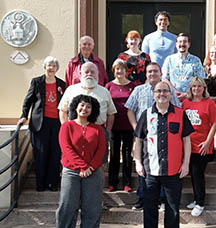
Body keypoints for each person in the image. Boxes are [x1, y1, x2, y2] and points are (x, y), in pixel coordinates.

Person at [134, 81, 194, 228]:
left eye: (165, 91)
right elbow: (138, 140)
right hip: (150, 171)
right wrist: (138, 162)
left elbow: (186, 140)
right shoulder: (146, 114)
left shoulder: (180, 114)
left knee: (173, 209)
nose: (162, 94)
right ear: (154, 95)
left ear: (170, 93)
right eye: (158, 91)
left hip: (174, 171)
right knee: (149, 208)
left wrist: (186, 163)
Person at [125, 62, 181, 210]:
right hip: (144, 137)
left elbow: (177, 109)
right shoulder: (138, 90)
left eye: (155, 71)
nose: (152, 74)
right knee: (143, 166)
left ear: (160, 73)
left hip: (164, 136)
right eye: (149, 72)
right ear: (146, 73)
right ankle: (143, 197)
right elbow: (130, 110)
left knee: (162, 166)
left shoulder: (168, 91)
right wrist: (137, 128)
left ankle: (162, 199)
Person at [56, 95, 106, 228]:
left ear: (93, 110)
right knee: (67, 206)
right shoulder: (67, 126)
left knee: (92, 208)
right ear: (76, 107)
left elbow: (101, 151)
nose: (85, 108)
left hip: (93, 172)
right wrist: (83, 166)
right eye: (82, 105)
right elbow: (66, 148)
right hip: (71, 172)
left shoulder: (98, 129)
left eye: (88, 107)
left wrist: (90, 167)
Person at [18, 56, 65, 192]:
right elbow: (28, 101)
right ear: (44, 67)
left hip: (57, 123)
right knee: (41, 154)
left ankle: (53, 184)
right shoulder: (37, 82)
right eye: (49, 65)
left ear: (57, 69)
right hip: (40, 123)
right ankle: (41, 184)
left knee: (55, 153)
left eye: (54, 66)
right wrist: (23, 116)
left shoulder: (61, 84)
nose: (51, 68)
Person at [59, 62, 117, 169]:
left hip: (98, 132)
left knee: (100, 165)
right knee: (73, 162)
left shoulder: (104, 91)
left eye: (93, 72)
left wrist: (107, 131)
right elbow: (63, 111)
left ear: (98, 74)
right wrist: (66, 128)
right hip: (74, 132)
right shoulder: (71, 90)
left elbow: (111, 113)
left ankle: (98, 186)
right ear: (80, 74)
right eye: (86, 72)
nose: (89, 74)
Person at [182, 77, 216, 216]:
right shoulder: (185, 103)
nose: (196, 89)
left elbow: (215, 123)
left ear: (204, 88)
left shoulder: (209, 103)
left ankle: (200, 202)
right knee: (191, 173)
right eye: (194, 87)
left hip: (202, 145)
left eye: (199, 86)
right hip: (187, 145)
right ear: (191, 89)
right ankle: (196, 198)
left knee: (198, 174)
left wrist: (208, 142)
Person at [105, 59, 136, 192]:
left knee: (128, 154)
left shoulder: (133, 86)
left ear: (126, 71)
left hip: (128, 124)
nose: (120, 71)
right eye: (117, 69)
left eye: (122, 68)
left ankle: (127, 183)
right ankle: (113, 182)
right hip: (113, 124)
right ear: (114, 71)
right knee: (114, 155)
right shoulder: (108, 86)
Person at [162, 33, 206, 101]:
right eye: (180, 42)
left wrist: (187, 94)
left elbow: (201, 80)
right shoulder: (169, 60)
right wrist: (175, 92)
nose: (182, 44)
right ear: (176, 44)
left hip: (191, 98)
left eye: (185, 42)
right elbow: (164, 79)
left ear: (188, 44)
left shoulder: (196, 61)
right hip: (173, 98)